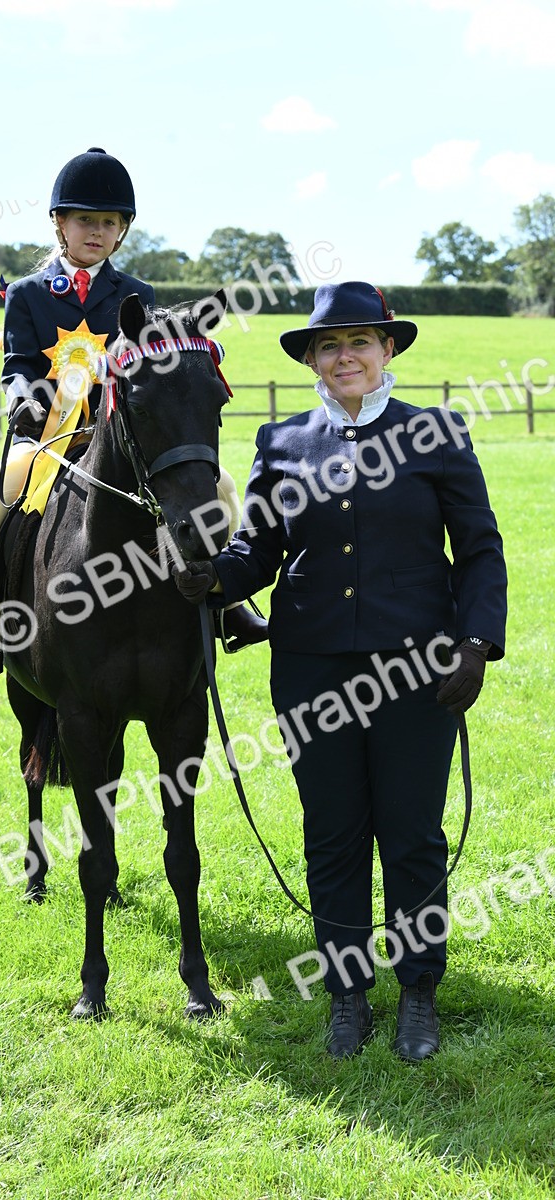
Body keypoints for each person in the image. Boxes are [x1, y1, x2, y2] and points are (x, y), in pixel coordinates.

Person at [172, 281, 507, 1061]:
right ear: (313, 361)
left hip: (419, 670)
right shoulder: (281, 442)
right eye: (330, 346)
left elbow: (480, 548)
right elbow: (259, 548)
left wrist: (476, 644)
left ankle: (418, 992)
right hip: (311, 670)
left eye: (360, 342)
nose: (345, 356)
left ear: (388, 350)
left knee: (412, 833)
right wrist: (217, 579)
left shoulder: (438, 434)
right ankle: (348, 996)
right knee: (333, 833)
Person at [0, 147, 266, 687]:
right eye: (85, 220)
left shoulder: (137, 293)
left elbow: (155, 368)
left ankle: (225, 603)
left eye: (109, 223)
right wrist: (23, 400)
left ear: (122, 232)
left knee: (224, 488)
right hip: (49, 436)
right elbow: (17, 364)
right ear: (60, 224)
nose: (96, 231)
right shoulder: (27, 294)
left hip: (125, 437)